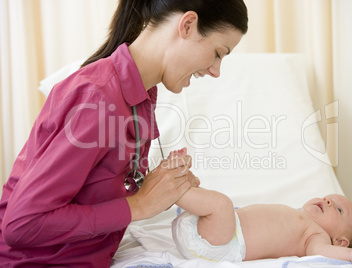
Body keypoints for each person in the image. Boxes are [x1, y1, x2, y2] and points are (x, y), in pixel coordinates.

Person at [0, 1, 248, 267]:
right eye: (218, 53)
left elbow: (94, 187)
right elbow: (23, 225)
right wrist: (140, 205)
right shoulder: (98, 99)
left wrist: (159, 187)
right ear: (187, 25)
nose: (216, 71)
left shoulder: (141, 95)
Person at [170, 149, 352, 267]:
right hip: (212, 227)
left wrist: (351, 256)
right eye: (327, 198)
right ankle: (182, 184)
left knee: (221, 204)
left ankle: (172, 188)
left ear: (340, 242)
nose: (328, 201)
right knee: (215, 202)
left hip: (223, 243)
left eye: (339, 210)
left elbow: (321, 252)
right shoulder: (297, 215)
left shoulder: (316, 236)